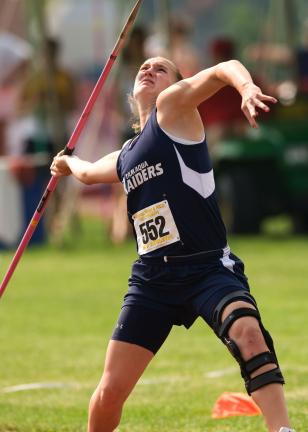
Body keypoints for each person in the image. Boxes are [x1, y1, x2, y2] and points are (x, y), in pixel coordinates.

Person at [51, 56, 295, 432]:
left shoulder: (174, 110)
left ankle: (283, 429)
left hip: (207, 267)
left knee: (247, 331)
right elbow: (87, 174)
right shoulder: (126, 155)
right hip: (152, 280)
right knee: (111, 389)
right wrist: (69, 164)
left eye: (161, 68)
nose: (148, 69)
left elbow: (222, 68)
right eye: (143, 67)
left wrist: (245, 87)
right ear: (132, 92)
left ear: (178, 84)